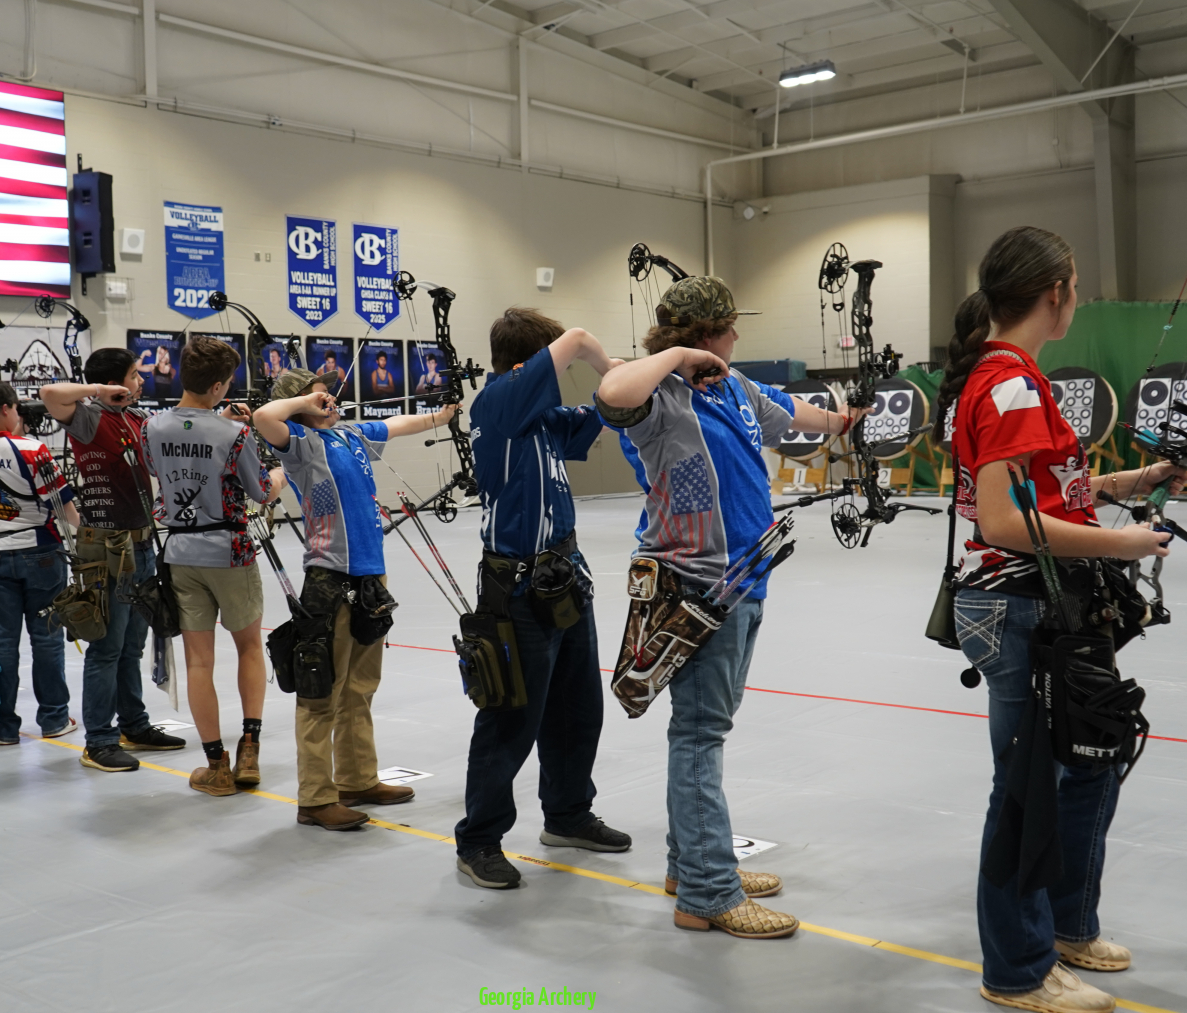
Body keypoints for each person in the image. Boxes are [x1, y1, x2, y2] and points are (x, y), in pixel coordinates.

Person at [938, 227, 1185, 1013]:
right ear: (1056, 292)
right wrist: (1124, 542)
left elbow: (1048, 491)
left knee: (1092, 760)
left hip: (1048, 604)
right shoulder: (1008, 382)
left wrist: (1136, 480)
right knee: (1026, 788)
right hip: (1019, 606)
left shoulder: (1010, 376)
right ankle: (1016, 967)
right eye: (1076, 285)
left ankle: (1069, 925)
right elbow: (1004, 522)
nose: (1077, 296)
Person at [595, 275, 860, 940]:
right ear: (704, 335)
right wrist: (679, 358)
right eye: (729, 327)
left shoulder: (734, 386)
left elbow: (788, 412)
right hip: (695, 584)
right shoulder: (657, 395)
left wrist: (841, 422)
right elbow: (611, 391)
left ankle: (688, 866)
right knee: (699, 733)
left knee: (705, 727)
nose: (738, 336)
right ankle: (709, 892)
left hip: (745, 578)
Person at [452, 309, 630, 890]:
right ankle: (479, 840)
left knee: (578, 708)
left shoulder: (540, 418)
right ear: (526, 366)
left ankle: (568, 815)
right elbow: (578, 339)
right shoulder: (499, 401)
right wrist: (608, 365)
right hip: (517, 587)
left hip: (565, 576)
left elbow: (603, 413)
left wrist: (626, 384)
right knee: (510, 718)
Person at [254, 368, 457, 831]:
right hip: (329, 578)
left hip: (370, 577)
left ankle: (357, 779)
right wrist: (304, 404)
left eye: (327, 391)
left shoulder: (350, 434)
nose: (328, 397)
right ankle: (315, 799)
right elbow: (265, 417)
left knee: (360, 688)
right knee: (322, 692)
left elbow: (398, 424)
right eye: (318, 393)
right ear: (300, 404)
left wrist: (442, 417)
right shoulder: (301, 445)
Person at [139, 337, 275, 793]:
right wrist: (277, 474)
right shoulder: (235, 434)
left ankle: (216, 767)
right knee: (249, 647)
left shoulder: (152, 426)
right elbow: (261, 492)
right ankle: (249, 751)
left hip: (180, 552)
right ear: (217, 386)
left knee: (199, 661)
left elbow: (158, 469)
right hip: (229, 550)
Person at [43, 348, 188, 773]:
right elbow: (50, 394)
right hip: (107, 548)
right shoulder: (88, 417)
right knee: (106, 647)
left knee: (131, 646)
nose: (141, 381)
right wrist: (98, 391)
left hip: (141, 544)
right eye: (134, 375)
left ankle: (133, 725)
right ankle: (99, 741)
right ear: (113, 383)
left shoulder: (135, 418)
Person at [0, 380, 78, 744]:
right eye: (16, 409)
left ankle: (2, 727)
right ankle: (54, 719)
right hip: (41, 553)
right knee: (47, 638)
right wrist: (85, 539)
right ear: (6, 409)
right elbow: (63, 506)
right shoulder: (32, 449)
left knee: (2, 642)